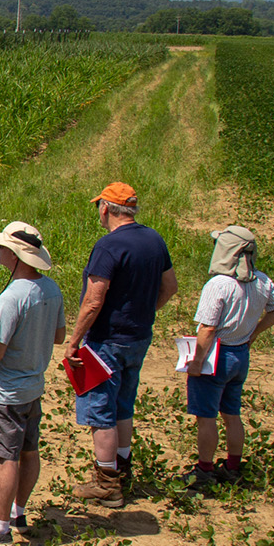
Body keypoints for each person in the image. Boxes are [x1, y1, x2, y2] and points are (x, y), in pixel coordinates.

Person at [64, 181, 177, 509]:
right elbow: (170, 286)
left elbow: (93, 299)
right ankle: (123, 469)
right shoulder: (154, 240)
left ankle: (107, 482)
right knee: (124, 403)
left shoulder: (108, 246)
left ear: (106, 208)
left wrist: (75, 341)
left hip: (107, 341)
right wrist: (144, 312)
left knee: (101, 410)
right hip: (138, 337)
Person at [0, 223, 67, 546]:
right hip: (33, 384)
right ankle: (18, 512)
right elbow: (60, 336)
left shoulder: (12, 297)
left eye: (2, 247)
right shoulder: (51, 290)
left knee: (6, 457)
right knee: (30, 450)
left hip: (4, 392)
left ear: (16, 255)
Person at [183, 227, 274, 482]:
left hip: (216, 356)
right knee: (232, 415)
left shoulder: (218, 284)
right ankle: (233, 467)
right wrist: (254, 332)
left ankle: (205, 470)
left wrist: (197, 361)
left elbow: (208, 328)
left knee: (206, 417)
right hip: (241, 354)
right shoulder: (261, 280)